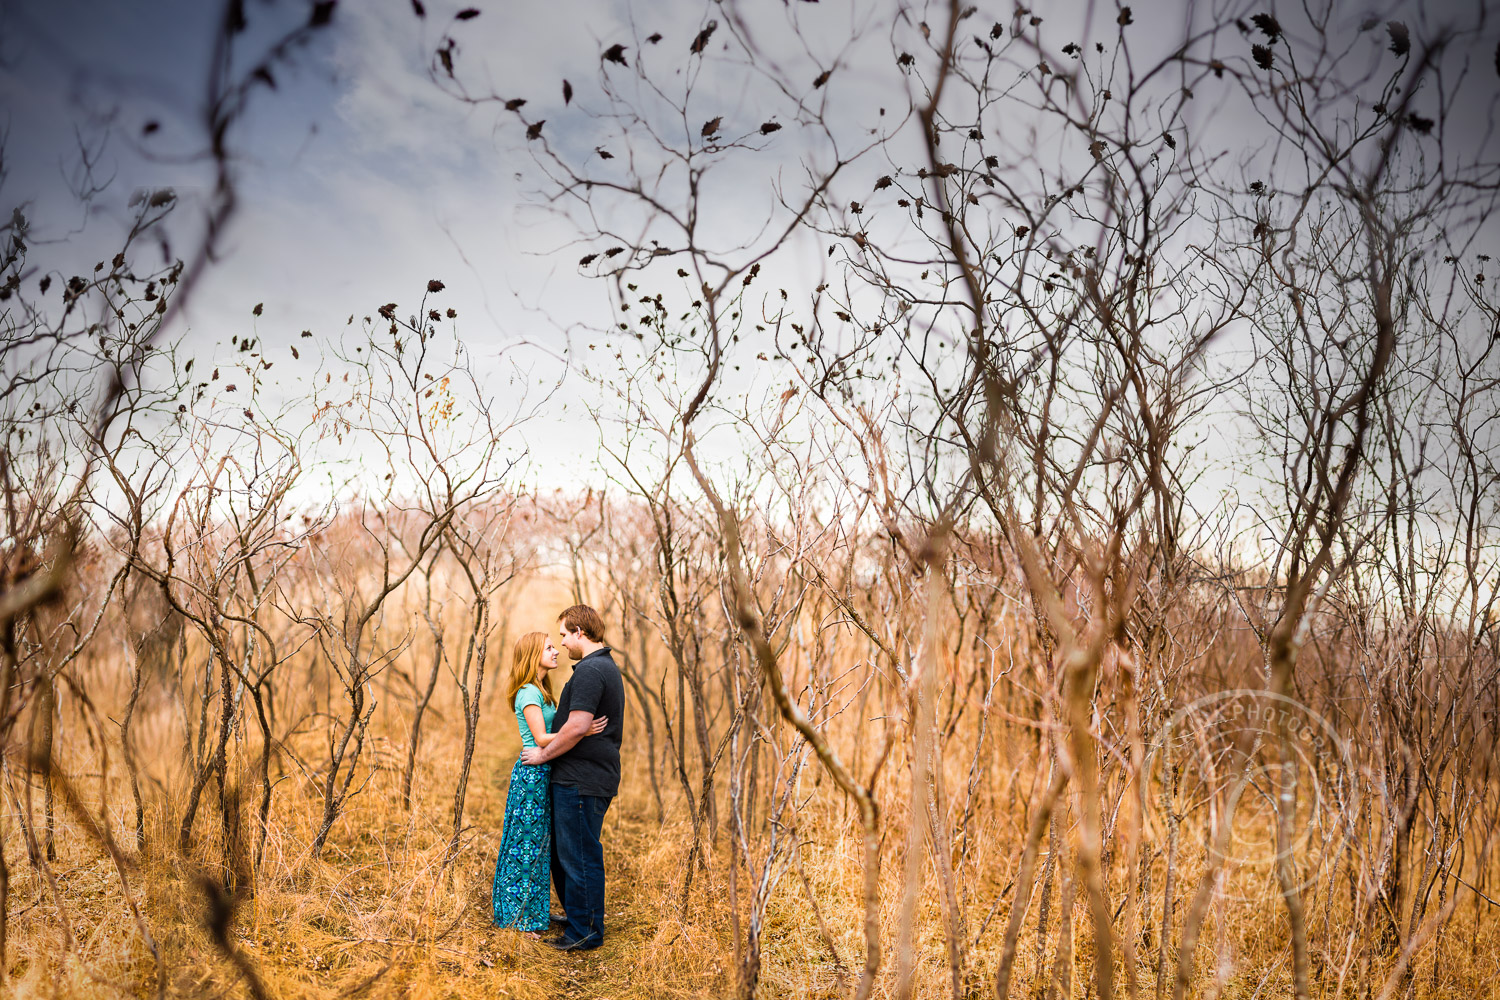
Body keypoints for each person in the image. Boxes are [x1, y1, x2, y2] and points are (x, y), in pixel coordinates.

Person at [520, 604, 625, 951]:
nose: (563, 643)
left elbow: (578, 726)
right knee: (569, 856)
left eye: (564, 635)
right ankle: (580, 917)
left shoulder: (592, 671)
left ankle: (586, 932)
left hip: (583, 780)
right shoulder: (599, 667)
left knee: (580, 857)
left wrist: (542, 754)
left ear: (580, 632)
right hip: (579, 778)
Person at [492, 631, 606, 932]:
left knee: (540, 845)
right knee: (526, 845)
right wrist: (581, 730)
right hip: (532, 774)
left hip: (544, 772)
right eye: (549, 647)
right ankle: (518, 917)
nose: (556, 651)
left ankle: (533, 912)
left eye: (556, 645)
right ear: (533, 655)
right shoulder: (528, 692)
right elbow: (541, 738)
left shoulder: (541, 688)